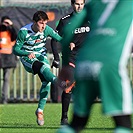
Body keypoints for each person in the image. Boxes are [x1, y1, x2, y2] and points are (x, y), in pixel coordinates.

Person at [57, 0, 133, 133]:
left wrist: (65, 67)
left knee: (76, 124)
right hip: (110, 67)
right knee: (123, 125)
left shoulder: (93, 4)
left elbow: (68, 31)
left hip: (83, 64)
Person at [13, 10, 70, 126]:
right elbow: (15, 50)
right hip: (27, 58)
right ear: (34, 22)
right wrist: (26, 53)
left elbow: (58, 38)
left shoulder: (47, 29)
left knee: (46, 82)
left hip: (41, 55)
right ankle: (59, 82)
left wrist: (70, 43)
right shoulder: (24, 32)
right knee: (43, 68)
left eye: (45, 23)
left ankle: (39, 111)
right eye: (41, 23)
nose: (43, 26)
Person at [51, 0, 90, 125]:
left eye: (81, 4)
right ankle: (64, 118)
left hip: (86, 57)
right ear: (72, 4)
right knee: (68, 87)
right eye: (77, 4)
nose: (79, 6)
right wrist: (56, 57)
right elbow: (54, 40)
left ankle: (80, 118)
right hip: (71, 58)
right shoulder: (65, 21)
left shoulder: (91, 18)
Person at [0, 16, 17, 104]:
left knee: (6, 79)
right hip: (0, 56)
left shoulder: (11, 31)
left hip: (9, 58)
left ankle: (4, 98)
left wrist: (11, 25)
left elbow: (17, 36)